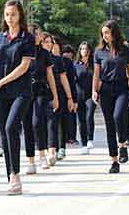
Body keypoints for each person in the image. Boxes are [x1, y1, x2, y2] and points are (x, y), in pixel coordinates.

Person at [0, 0, 35, 195]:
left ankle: (15, 174)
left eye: (13, 14)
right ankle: (11, 177)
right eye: (7, 15)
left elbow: (23, 68)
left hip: (20, 90)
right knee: (4, 133)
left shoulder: (27, 38)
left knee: (11, 126)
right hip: (2, 93)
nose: (10, 18)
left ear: (20, 15)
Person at [92, 20, 129, 174]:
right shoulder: (99, 52)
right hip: (105, 89)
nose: (104, 36)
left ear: (114, 33)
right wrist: (94, 90)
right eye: (103, 33)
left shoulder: (126, 51)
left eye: (107, 32)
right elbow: (96, 74)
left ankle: (123, 144)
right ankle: (114, 161)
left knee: (119, 116)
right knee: (109, 125)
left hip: (121, 88)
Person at [26, 25, 59, 171]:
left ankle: (42, 156)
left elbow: (50, 76)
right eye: (36, 34)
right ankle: (30, 161)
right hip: (24, 91)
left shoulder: (45, 54)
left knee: (37, 122)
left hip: (40, 90)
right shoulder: (23, 51)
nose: (38, 37)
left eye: (39, 35)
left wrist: (55, 96)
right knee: (27, 125)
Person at [50, 40, 77, 160]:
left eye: (55, 43)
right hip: (49, 93)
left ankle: (61, 147)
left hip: (63, 93)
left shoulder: (65, 61)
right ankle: (52, 147)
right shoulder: (47, 59)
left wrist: (72, 99)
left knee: (62, 121)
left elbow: (71, 81)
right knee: (52, 122)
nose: (53, 46)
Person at [75, 42, 96, 155]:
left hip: (91, 95)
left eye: (86, 48)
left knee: (89, 115)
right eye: (82, 49)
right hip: (79, 95)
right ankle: (84, 144)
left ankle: (90, 138)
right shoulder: (76, 65)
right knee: (81, 119)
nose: (84, 50)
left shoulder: (94, 64)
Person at [61, 44, 79, 146]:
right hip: (59, 93)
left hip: (70, 93)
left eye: (69, 55)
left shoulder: (70, 64)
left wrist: (73, 99)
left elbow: (72, 82)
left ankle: (71, 137)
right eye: (66, 54)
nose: (67, 56)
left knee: (71, 116)